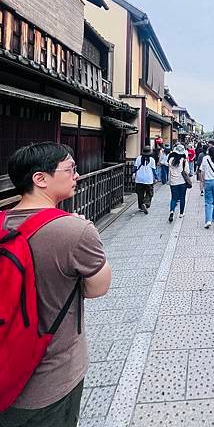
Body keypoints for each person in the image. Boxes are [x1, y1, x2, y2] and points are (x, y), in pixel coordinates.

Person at [0, 142, 111, 427]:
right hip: (50, 376)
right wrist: (89, 235)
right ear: (40, 179)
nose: (76, 175)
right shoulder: (74, 230)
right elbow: (97, 288)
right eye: (70, 169)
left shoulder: (3, 223)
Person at [200, 146, 214, 228]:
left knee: (208, 202)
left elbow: (202, 171)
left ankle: (208, 220)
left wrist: (202, 181)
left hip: (208, 182)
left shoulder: (205, 159)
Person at [133, 145, 157, 215]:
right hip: (148, 179)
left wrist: (134, 173)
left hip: (139, 178)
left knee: (140, 193)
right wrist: (156, 177)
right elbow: (153, 170)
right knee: (149, 193)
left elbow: (135, 167)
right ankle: (146, 204)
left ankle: (141, 207)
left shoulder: (138, 158)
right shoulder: (152, 160)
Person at [168, 144, 189, 222]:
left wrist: (169, 180)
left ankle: (172, 211)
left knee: (174, 198)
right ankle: (181, 213)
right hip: (182, 182)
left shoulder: (170, 160)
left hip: (173, 182)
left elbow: (169, 171)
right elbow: (187, 171)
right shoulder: (184, 160)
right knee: (182, 197)